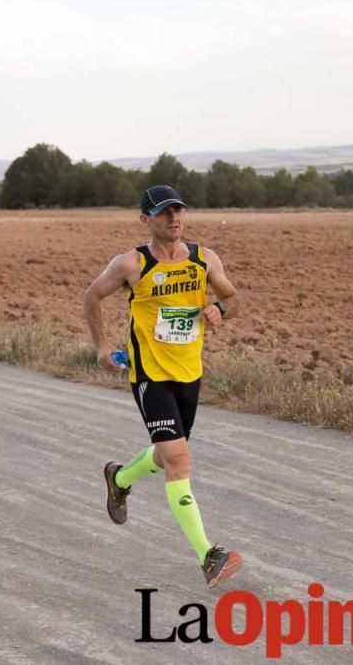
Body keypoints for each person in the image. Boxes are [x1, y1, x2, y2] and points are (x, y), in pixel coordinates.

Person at [84, 184, 242, 587]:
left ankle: (118, 479)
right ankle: (209, 554)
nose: (174, 218)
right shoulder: (131, 265)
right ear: (145, 220)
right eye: (163, 213)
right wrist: (102, 345)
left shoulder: (204, 260)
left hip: (190, 374)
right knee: (178, 459)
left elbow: (234, 297)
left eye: (178, 211)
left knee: (167, 454)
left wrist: (219, 308)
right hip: (149, 375)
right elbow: (92, 296)